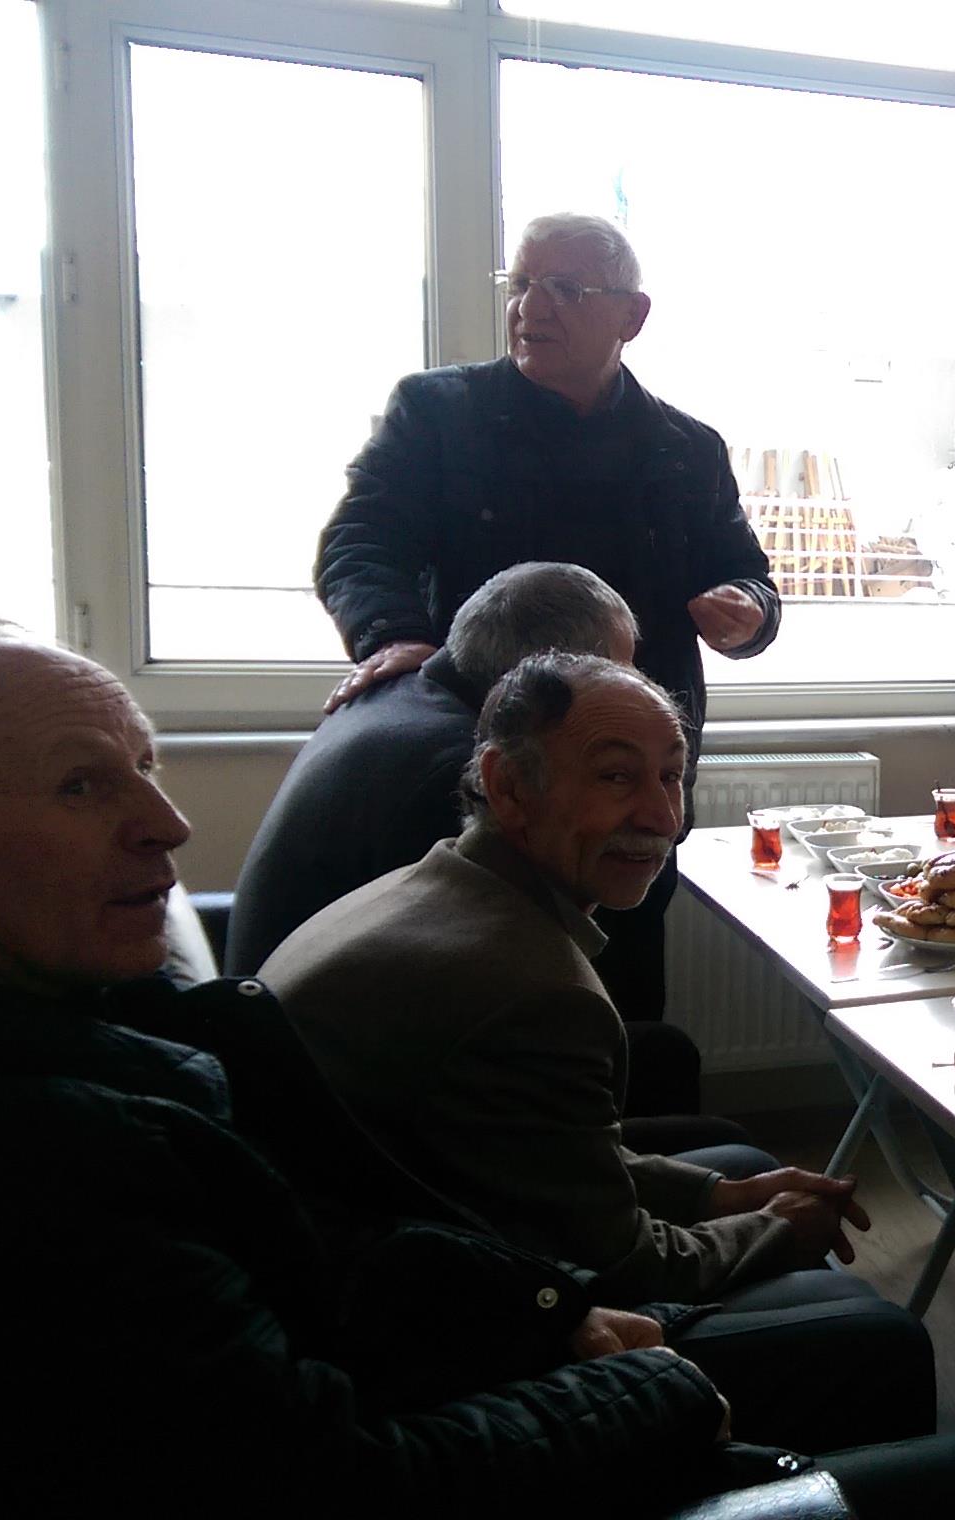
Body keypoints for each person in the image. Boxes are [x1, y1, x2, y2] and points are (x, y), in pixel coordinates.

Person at [0, 621, 955, 1518]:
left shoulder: (82, 1015)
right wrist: (650, 1380)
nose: (168, 822)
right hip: (433, 1414)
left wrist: (547, 1306)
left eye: (146, 765)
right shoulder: (8, 1156)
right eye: (81, 783)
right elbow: (332, 1474)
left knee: (735, 1168)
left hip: (432, 1302)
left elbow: (332, 1228)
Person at [260, 653, 930, 1452]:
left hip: (392, 1241)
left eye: (672, 776)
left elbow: (547, 1159)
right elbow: (622, 1267)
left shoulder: (442, 883)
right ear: (507, 785)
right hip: (408, 1347)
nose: (662, 814)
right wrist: (778, 1230)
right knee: (887, 1339)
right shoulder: (533, 987)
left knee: (740, 1161)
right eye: (617, 777)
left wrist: (721, 1196)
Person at [314, 211, 781, 1024]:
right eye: (522, 282)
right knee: (487, 1022)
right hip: (489, 794)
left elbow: (748, 575)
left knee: (624, 1021)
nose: (531, 306)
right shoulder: (439, 415)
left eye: (564, 288)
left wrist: (750, 612)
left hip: (633, 795)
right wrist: (395, 637)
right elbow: (360, 543)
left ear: (632, 316)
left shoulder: (686, 448)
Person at [226, 561, 734, 1149]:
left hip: (303, 1050)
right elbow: (508, 979)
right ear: (545, 676)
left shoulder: (401, 700)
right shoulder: (456, 771)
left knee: (664, 1056)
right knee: (728, 1144)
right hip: (342, 1126)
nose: (664, 819)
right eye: (613, 672)